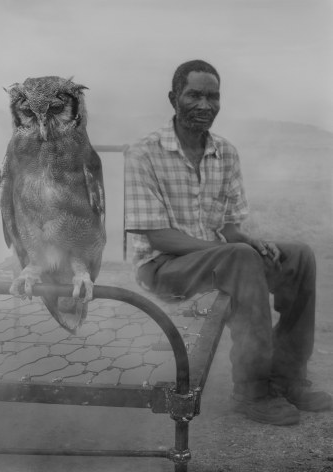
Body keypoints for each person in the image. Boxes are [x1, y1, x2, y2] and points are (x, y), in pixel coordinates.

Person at [124, 59, 331, 425]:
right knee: (240, 258)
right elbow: (158, 236)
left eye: (213, 97)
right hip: (162, 267)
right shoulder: (144, 153)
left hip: (219, 262)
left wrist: (250, 241)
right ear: (174, 98)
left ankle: (287, 377)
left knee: (298, 256)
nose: (205, 105)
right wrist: (232, 250)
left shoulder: (226, 152)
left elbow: (231, 229)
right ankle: (252, 389)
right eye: (194, 95)